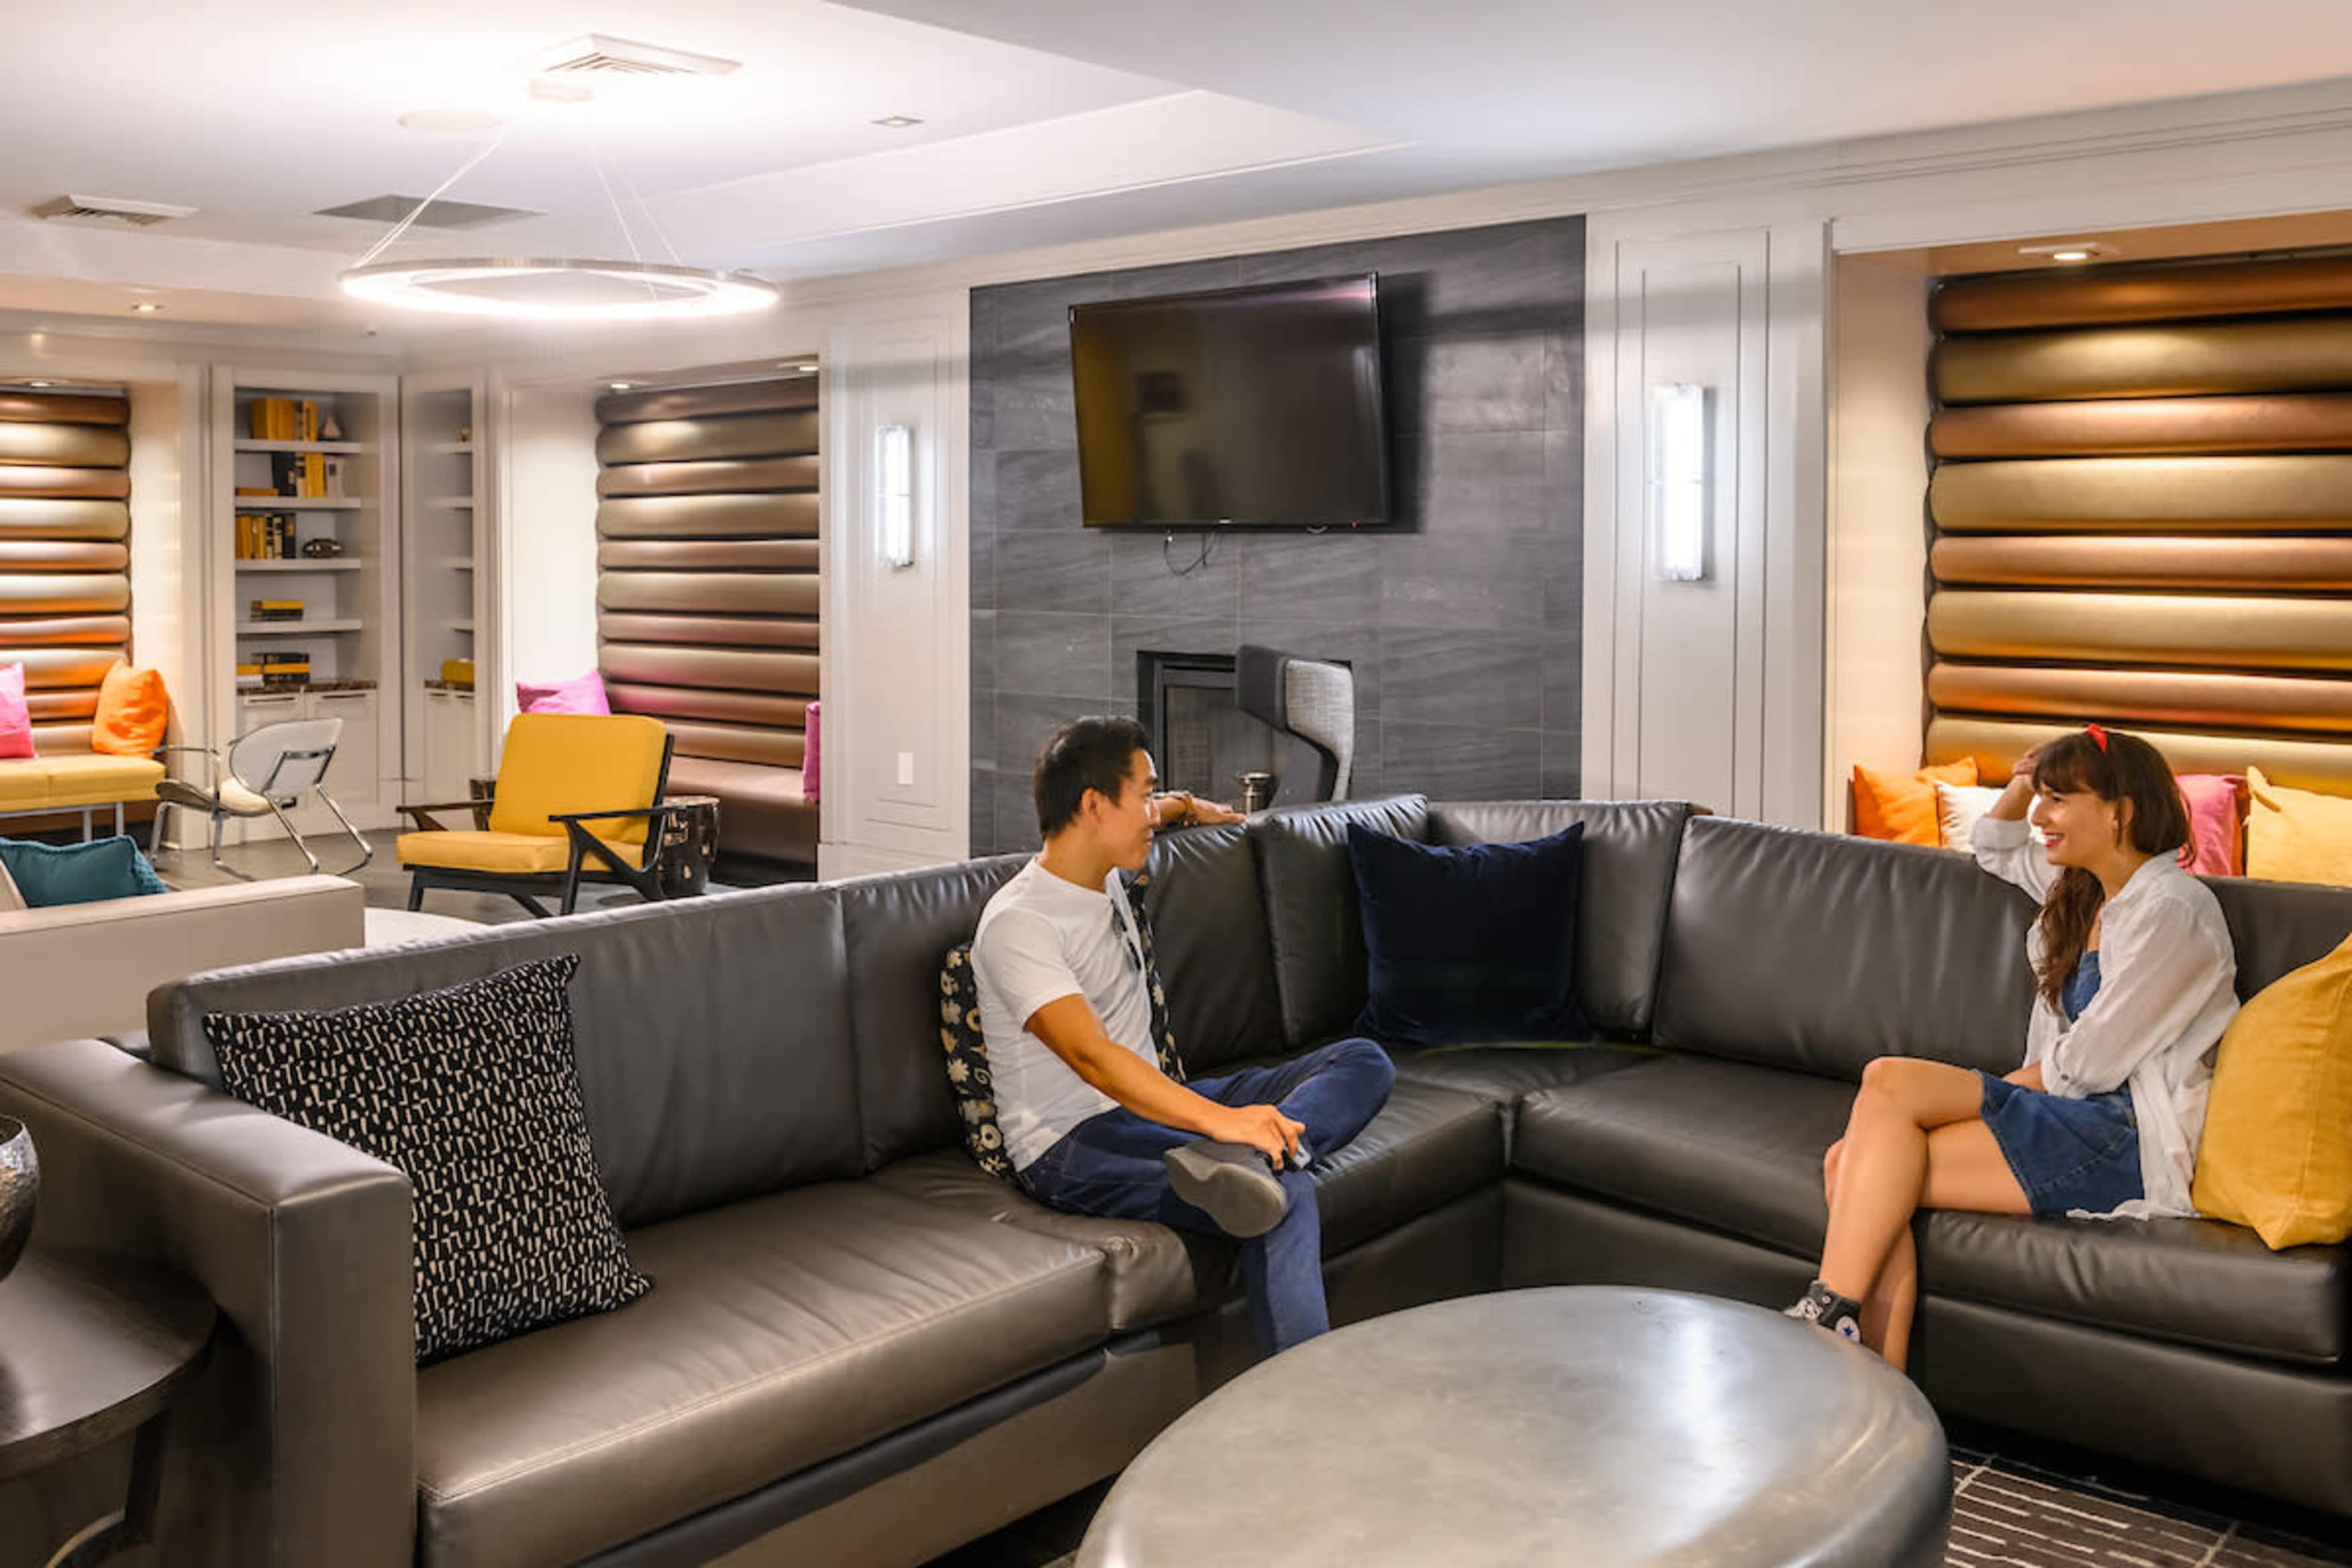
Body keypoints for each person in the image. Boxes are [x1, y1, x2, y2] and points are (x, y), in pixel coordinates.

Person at [1787, 725, 2237, 1366]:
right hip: (2074, 1116)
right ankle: (1872, 1381)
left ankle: (1827, 1311)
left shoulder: (2174, 910)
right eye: (2042, 797)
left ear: (2120, 812)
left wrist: (1973, 1098)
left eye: (2059, 799)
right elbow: (1993, 845)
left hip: (2126, 1136)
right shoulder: (2080, 893)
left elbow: (2089, 1065)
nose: (2039, 816)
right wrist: (2025, 777)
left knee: (1890, 1084)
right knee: (1850, 1162)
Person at [971, 716, 1396, 1355]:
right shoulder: (1020, 924)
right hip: (1073, 1142)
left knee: (1364, 1059)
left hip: (1152, 1107)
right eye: (1141, 793)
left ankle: (1260, 1157)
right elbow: (1094, 1058)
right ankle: (1308, 1416)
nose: (1151, 810)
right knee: (1280, 1199)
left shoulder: (1103, 869)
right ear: (1093, 806)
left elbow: (1161, 812)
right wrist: (1224, 1124)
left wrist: (1191, 807)